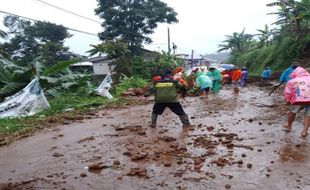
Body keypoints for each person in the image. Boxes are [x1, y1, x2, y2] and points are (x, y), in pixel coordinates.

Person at [282, 66, 310, 137]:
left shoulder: (292, 81)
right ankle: (304, 131)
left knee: (292, 112)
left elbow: (288, 93)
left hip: (298, 99)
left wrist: (288, 100)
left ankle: (289, 126)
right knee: (308, 115)